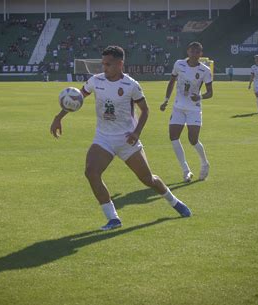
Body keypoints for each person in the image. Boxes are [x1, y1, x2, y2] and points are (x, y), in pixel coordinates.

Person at [50, 45, 192, 231]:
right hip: (103, 138)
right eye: (103, 64)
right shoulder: (95, 81)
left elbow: (145, 111)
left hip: (126, 140)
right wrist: (58, 117)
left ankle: (174, 202)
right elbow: (76, 99)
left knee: (148, 179)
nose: (104, 68)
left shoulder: (131, 85)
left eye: (108, 64)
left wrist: (136, 133)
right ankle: (113, 218)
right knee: (91, 172)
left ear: (120, 64)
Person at [159, 42, 213, 183]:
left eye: (197, 52)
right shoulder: (179, 64)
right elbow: (171, 82)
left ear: (201, 54)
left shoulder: (205, 70)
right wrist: (166, 100)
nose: (194, 54)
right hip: (178, 107)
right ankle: (186, 170)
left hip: (194, 108)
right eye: (192, 51)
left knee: (192, 139)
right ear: (188, 51)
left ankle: (204, 163)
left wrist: (200, 96)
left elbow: (210, 93)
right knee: (173, 136)